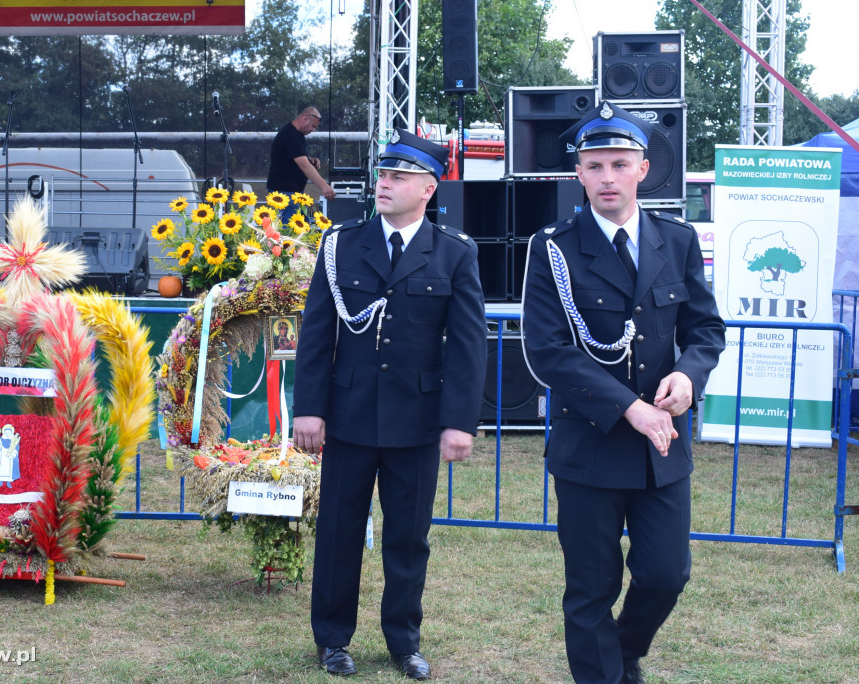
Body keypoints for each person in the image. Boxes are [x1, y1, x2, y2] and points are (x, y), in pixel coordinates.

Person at [520, 101, 726, 684]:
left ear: (643, 167)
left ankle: (621, 650)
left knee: (667, 574)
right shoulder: (553, 249)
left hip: (662, 448)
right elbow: (550, 349)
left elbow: (705, 329)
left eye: (618, 163)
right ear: (578, 173)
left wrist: (689, 374)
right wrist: (627, 406)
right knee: (591, 585)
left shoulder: (676, 240)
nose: (606, 177)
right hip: (591, 445)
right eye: (594, 165)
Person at [293, 129, 487, 680]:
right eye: (383, 174)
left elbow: (468, 346)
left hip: (418, 421)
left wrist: (458, 422)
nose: (385, 183)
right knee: (338, 532)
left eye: (399, 177)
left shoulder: (454, 253)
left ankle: (403, 641)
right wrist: (309, 407)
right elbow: (316, 333)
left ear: (429, 187)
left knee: (408, 537)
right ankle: (332, 640)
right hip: (349, 414)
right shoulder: (341, 245)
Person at [267, 107, 336, 219]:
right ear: (305, 118)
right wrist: (324, 186)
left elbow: (295, 157)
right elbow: (304, 165)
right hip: (284, 193)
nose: (313, 130)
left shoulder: (296, 135)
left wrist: (310, 159)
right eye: (313, 126)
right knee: (288, 229)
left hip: (293, 192)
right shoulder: (290, 135)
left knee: (301, 226)